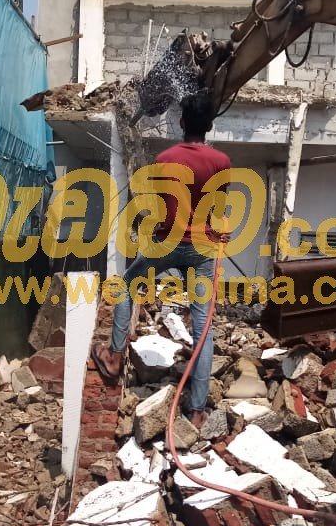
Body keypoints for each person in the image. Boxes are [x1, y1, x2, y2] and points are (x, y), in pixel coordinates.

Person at [92, 93, 231, 429]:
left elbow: (157, 206)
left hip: (167, 242)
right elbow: (217, 208)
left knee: (127, 286)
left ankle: (114, 356)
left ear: (181, 122)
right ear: (210, 125)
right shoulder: (221, 162)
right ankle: (196, 410)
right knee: (203, 328)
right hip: (202, 248)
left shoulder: (165, 159)